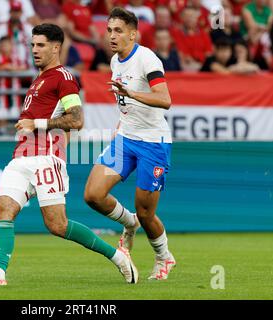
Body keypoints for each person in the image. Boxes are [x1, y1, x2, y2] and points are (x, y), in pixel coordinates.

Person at [0, 23, 138, 286]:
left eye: (40, 45)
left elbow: (76, 120)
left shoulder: (64, 77)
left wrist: (37, 124)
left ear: (56, 47)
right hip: (20, 157)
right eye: (32, 45)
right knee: (3, 210)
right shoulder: (39, 79)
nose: (34, 50)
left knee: (57, 225)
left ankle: (118, 256)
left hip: (47, 158)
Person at [83, 7, 176, 281]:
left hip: (153, 144)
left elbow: (165, 99)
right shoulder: (115, 61)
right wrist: (119, 128)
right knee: (92, 195)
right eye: (109, 30)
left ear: (133, 34)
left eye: (118, 30)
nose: (112, 35)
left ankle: (164, 257)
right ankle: (128, 222)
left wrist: (132, 93)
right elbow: (124, 105)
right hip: (126, 139)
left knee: (147, 213)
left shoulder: (148, 59)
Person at [0, 36, 27, 136]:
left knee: (18, 110)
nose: (5, 47)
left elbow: (24, 68)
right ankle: (1, 130)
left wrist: (14, 69)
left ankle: (21, 132)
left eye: (7, 45)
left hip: (15, 91)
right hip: (1, 91)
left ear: (11, 46)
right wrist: (4, 67)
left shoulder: (16, 57)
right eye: (2, 45)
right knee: (1, 110)